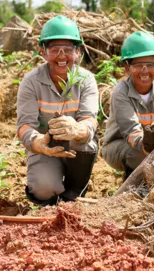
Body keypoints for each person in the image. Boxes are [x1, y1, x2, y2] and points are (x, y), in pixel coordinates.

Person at [16, 15, 99, 205]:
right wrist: (38, 142)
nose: (62, 56)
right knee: (43, 190)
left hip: (76, 146)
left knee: (86, 142)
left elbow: (90, 119)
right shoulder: (31, 82)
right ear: (44, 53)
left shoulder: (86, 80)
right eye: (54, 50)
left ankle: (74, 194)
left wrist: (78, 130)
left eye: (68, 50)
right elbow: (24, 126)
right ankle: (52, 199)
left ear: (78, 52)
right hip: (46, 148)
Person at [102, 31, 154, 179]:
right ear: (127, 68)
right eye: (138, 65)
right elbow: (130, 130)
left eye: (150, 65)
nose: (144, 71)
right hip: (118, 146)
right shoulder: (121, 92)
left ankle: (152, 185)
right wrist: (145, 144)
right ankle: (131, 183)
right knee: (141, 156)